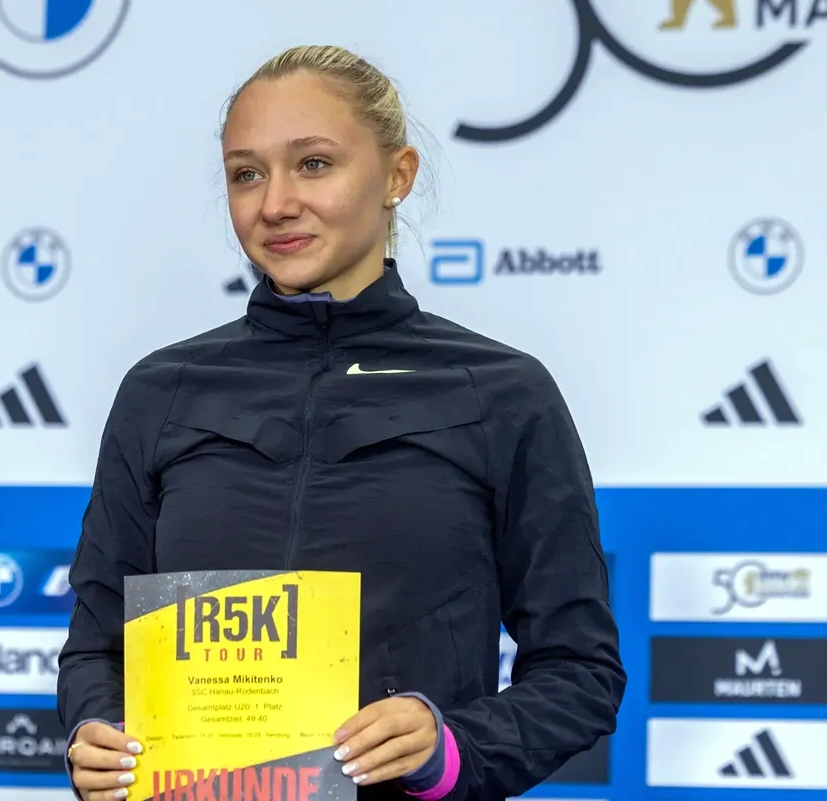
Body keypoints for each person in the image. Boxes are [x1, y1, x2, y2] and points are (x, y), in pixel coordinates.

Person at [56, 44, 625, 801]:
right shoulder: (162, 390)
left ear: (397, 176)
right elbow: (96, 646)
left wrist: (452, 750)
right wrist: (95, 732)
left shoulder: (501, 392)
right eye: (246, 174)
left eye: (314, 164)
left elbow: (580, 671)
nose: (275, 203)